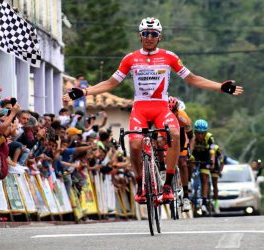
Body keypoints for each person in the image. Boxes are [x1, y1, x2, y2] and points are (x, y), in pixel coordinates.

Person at [65, 17, 243, 203]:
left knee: (174, 133)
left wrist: (220, 86)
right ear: (140, 36)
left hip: (161, 107)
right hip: (140, 108)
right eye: (145, 34)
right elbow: (110, 83)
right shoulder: (130, 59)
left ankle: (167, 185)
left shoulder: (169, 57)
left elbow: (193, 79)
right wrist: (83, 91)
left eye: (153, 34)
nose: (149, 37)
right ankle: (141, 184)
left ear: (160, 37)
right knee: (134, 145)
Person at [168, 96, 193, 212]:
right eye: (169, 112)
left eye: (174, 112)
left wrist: (189, 151)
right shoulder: (163, 116)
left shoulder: (183, 117)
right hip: (167, 139)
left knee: (183, 163)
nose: (172, 115)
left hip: (181, 139)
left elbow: (191, 137)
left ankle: (186, 197)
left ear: (177, 110)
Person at [191, 119, 217, 214]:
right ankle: (190, 186)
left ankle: (204, 201)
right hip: (195, 155)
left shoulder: (210, 138)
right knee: (190, 165)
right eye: (198, 133)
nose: (200, 136)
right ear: (195, 132)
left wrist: (212, 162)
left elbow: (212, 151)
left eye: (202, 133)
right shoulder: (193, 137)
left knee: (204, 177)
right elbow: (191, 148)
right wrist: (190, 158)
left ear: (205, 132)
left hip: (205, 157)